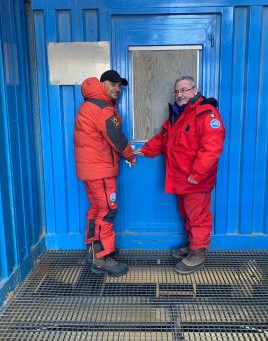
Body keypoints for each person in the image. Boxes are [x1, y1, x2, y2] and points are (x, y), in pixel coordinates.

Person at [135, 76, 225, 274]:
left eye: (184, 90)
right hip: (181, 178)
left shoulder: (206, 114)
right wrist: (145, 150)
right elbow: (163, 138)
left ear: (195, 90)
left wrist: (198, 173)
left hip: (195, 179)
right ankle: (193, 245)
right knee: (187, 214)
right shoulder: (178, 115)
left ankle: (198, 253)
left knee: (198, 216)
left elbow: (212, 148)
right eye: (177, 91)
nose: (180, 94)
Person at [73, 70, 136, 277]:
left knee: (96, 209)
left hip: (90, 170)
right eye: (113, 84)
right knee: (107, 211)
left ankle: (93, 249)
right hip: (100, 171)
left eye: (120, 86)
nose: (117, 89)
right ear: (103, 84)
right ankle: (102, 258)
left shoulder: (88, 105)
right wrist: (130, 155)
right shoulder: (103, 109)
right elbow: (116, 137)